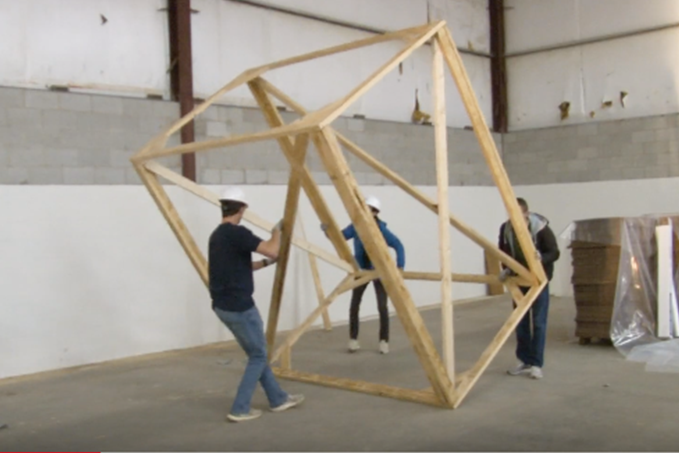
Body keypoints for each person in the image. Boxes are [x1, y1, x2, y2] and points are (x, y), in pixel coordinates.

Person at [209, 186, 304, 423]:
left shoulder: (217, 236)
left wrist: (265, 264)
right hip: (239, 307)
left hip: (222, 306)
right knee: (259, 355)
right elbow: (273, 249)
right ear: (242, 209)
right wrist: (276, 232)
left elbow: (241, 265)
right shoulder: (237, 233)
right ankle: (240, 408)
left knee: (256, 353)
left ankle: (278, 399)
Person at [321, 196, 405, 355]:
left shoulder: (381, 229)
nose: (366, 212)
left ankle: (384, 341)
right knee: (354, 305)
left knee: (382, 306)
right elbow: (340, 237)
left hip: (379, 271)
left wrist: (400, 265)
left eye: (370, 209)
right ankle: (353, 339)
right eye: (365, 208)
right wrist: (327, 230)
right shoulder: (356, 226)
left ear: (375, 212)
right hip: (361, 270)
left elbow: (398, 244)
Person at [498, 197, 560, 380]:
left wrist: (541, 257)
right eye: (510, 212)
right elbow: (503, 251)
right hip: (519, 280)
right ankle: (524, 360)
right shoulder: (506, 228)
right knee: (520, 321)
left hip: (538, 281)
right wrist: (507, 269)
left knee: (539, 322)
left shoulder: (540, 228)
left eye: (517, 212)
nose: (513, 216)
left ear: (526, 213)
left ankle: (536, 364)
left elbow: (554, 252)